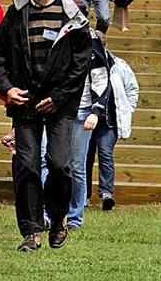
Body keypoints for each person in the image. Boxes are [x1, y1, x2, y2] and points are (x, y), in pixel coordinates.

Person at [0, 0, 92, 253]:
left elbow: (81, 62)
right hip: (25, 101)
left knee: (60, 165)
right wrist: (7, 88)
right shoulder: (16, 12)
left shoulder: (72, 14)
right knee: (26, 166)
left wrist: (59, 97)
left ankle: (58, 219)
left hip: (59, 104)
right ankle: (31, 230)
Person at [86, 49, 139, 212]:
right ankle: (84, 195)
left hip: (109, 123)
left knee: (105, 153)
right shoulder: (85, 63)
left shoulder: (119, 65)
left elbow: (132, 89)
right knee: (85, 157)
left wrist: (127, 110)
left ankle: (106, 193)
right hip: (86, 120)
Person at [68, 28, 109, 229]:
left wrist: (96, 111)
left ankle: (75, 216)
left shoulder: (92, 45)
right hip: (57, 111)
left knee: (77, 166)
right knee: (49, 161)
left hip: (83, 112)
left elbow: (102, 80)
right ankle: (48, 212)